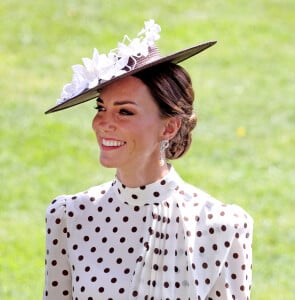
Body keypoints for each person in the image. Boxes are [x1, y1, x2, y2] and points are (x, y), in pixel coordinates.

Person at [43, 20, 253, 300]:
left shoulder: (224, 226)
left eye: (125, 112)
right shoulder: (69, 217)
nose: (104, 123)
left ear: (168, 128)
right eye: (101, 108)